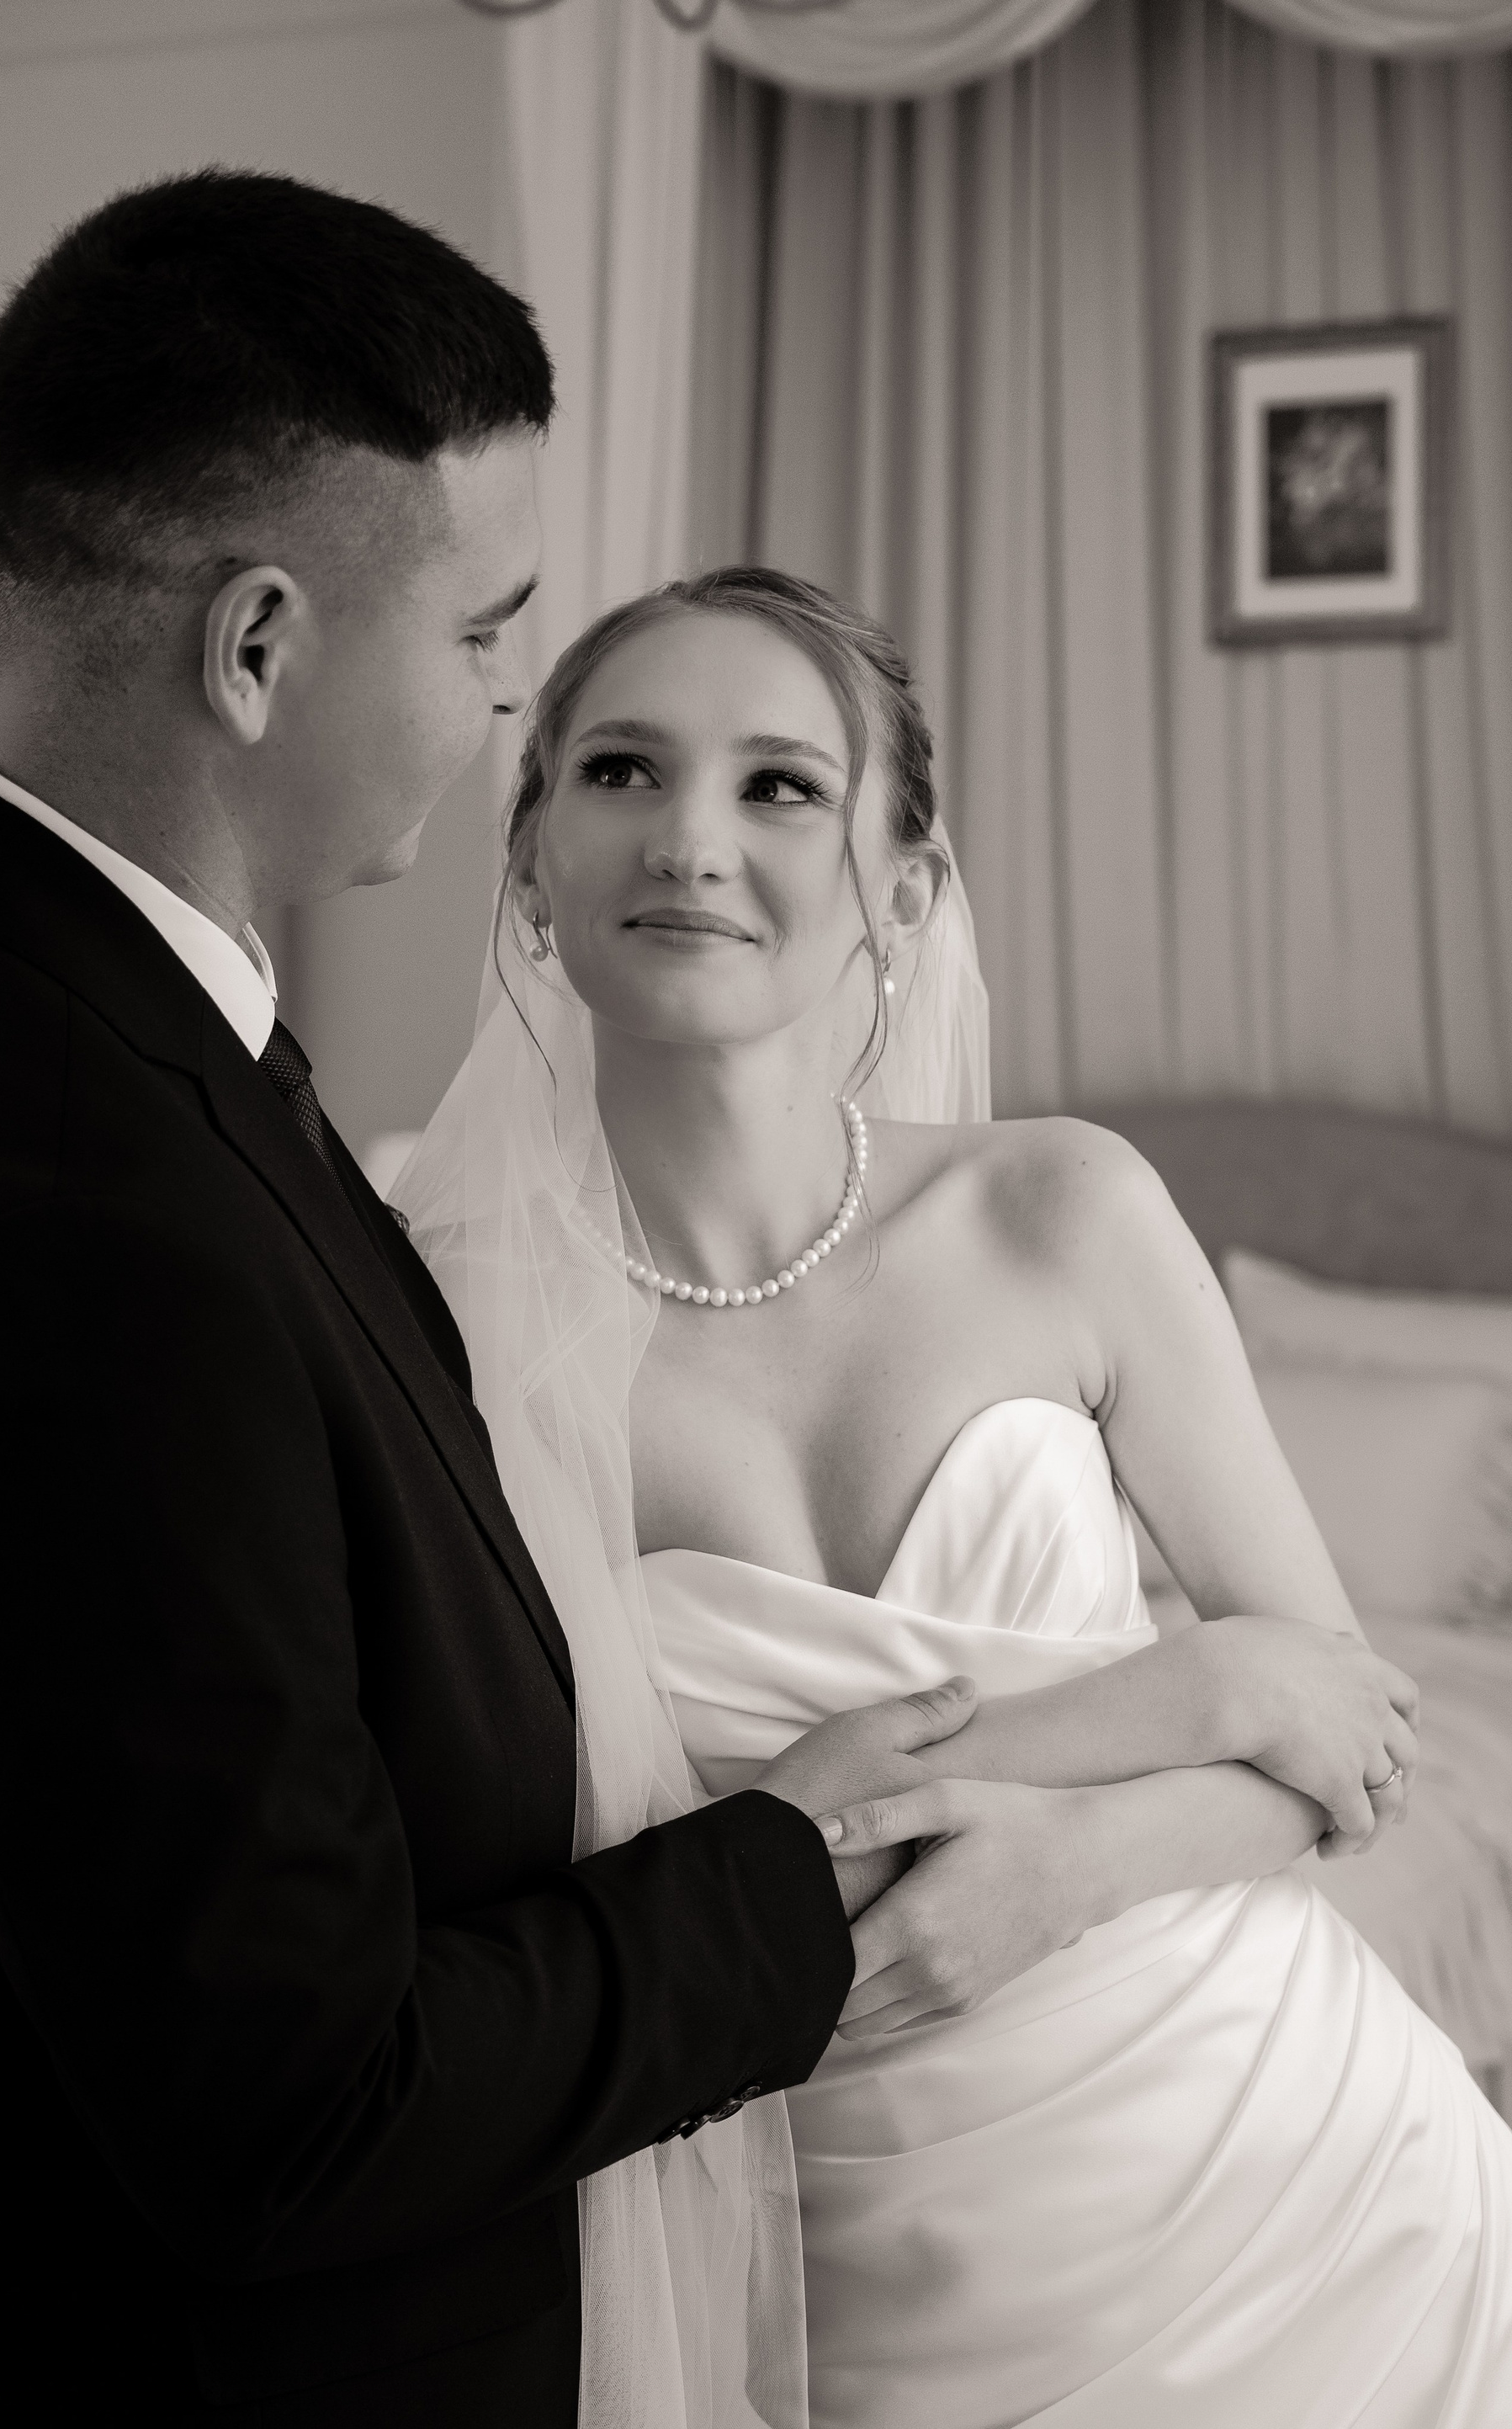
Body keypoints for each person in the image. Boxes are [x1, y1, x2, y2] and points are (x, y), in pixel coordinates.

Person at [0, 173, 1020, 2429]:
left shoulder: (91, 1015)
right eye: (492, 632)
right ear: (257, 649)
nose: (510, 698)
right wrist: (780, 1870)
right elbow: (293, 2106)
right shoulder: (83, 1204)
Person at [398, 562, 1512, 2426]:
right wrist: (1183, 1690)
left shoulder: (1064, 1211)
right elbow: (491, 1878)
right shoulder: (436, 1330)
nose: (689, 838)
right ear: (527, 860)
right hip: (823, 2259)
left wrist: (1065, 1870)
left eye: (779, 784)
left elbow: (1354, 1740)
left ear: (902, 894)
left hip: (1308, 2193)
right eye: (619, 770)